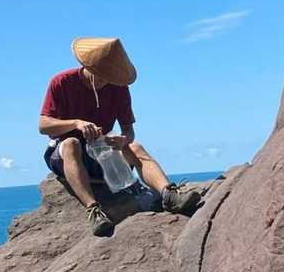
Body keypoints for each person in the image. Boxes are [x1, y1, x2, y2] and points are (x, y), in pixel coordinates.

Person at [39, 36, 203, 237]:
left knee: (135, 147)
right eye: (100, 75)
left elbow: (128, 130)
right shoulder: (62, 82)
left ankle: (168, 194)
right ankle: (94, 210)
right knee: (72, 143)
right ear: (87, 66)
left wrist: (123, 139)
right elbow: (44, 125)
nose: (103, 81)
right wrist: (76, 124)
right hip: (66, 153)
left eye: (108, 76)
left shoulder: (118, 88)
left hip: (101, 152)